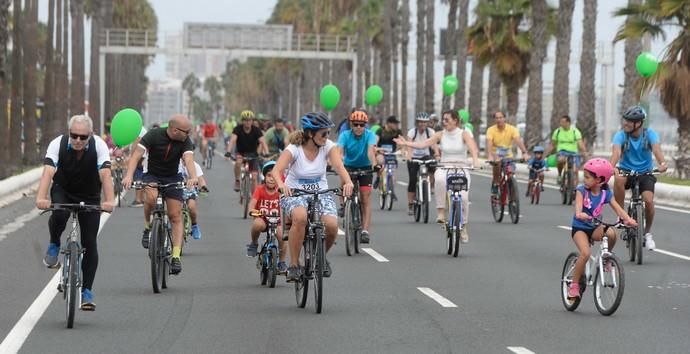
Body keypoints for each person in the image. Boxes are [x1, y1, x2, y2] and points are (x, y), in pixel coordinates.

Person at [36, 115, 115, 311]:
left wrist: (109, 200)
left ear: (91, 134)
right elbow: (48, 172)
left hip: (89, 194)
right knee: (59, 214)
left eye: (83, 137)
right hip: (63, 189)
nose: (78, 140)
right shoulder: (58, 144)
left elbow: (105, 174)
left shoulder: (99, 146)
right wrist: (41, 197)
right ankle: (54, 243)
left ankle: (87, 292)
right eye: (74, 136)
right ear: (68, 132)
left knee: (89, 242)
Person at [272, 112, 354, 282]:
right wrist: (281, 185)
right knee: (300, 217)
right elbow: (276, 170)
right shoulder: (294, 149)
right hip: (295, 193)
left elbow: (339, 166)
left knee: (332, 226)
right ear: (310, 134)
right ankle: (294, 265)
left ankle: (321, 257)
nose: (327, 137)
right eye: (323, 133)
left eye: (328, 133)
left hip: (320, 193)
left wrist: (348, 182)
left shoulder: (328, 146)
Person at [123, 115, 198, 275]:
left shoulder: (185, 140)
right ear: (175, 130)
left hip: (173, 177)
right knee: (150, 198)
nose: (189, 134)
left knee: (175, 215)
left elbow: (188, 159)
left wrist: (193, 176)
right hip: (152, 175)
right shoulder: (153, 135)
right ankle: (147, 226)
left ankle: (176, 256)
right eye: (187, 131)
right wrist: (129, 175)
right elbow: (136, 155)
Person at [395, 110, 479, 242]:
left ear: (455, 121)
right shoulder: (440, 134)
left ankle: (463, 226)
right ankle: (441, 212)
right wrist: (406, 144)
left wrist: (475, 160)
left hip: (461, 166)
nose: (444, 122)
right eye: (443, 120)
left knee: (463, 197)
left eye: (447, 119)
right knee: (439, 179)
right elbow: (423, 144)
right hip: (444, 166)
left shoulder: (464, 134)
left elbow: (473, 147)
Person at [567, 158, 636, 300]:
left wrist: (628, 219)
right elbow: (578, 207)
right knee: (585, 253)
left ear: (599, 180)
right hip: (580, 227)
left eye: (587, 177)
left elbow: (617, 208)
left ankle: (606, 259)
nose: (584, 180)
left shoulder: (606, 194)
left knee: (611, 234)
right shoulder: (581, 190)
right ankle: (574, 285)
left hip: (594, 227)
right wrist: (580, 214)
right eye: (584, 176)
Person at [610, 105, 668, 250]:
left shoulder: (650, 134)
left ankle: (647, 234)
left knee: (648, 201)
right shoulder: (621, 135)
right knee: (618, 179)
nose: (625, 124)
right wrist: (611, 167)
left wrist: (662, 163)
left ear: (639, 123)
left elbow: (656, 149)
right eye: (625, 120)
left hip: (645, 172)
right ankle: (622, 215)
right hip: (626, 170)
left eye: (629, 121)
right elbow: (616, 153)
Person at [337, 109, 378, 243]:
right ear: (351, 125)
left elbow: (370, 151)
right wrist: (337, 164)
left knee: (365, 197)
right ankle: (343, 205)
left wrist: (374, 164)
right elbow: (339, 152)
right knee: (344, 180)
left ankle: (365, 230)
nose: (359, 127)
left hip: (365, 167)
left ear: (365, 125)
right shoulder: (344, 135)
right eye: (356, 124)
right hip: (349, 166)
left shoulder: (370, 135)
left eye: (362, 125)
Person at [247, 161, 288, 274]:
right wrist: (251, 210)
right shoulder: (260, 189)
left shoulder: (282, 191)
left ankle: (282, 262)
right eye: (269, 176)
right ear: (264, 177)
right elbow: (253, 202)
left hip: (277, 221)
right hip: (263, 219)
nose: (271, 179)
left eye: (275, 176)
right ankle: (254, 243)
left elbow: (288, 204)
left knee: (282, 235)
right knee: (257, 224)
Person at [486, 110, 530, 195]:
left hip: (508, 156)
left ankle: (512, 195)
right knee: (497, 163)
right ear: (495, 120)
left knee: (510, 174)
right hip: (496, 155)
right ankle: (496, 183)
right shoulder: (491, 130)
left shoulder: (512, 129)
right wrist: (490, 155)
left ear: (504, 118)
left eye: (501, 117)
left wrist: (524, 153)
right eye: (497, 118)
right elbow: (489, 143)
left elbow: (518, 141)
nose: (499, 120)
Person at [405, 112, 440, 215]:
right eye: (420, 122)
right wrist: (409, 155)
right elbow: (409, 145)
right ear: (417, 123)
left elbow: (434, 145)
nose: (422, 125)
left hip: (426, 156)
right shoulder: (412, 132)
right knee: (412, 180)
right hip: (414, 157)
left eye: (425, 123)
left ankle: (429, 183)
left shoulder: (431, 132)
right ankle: (411, 205)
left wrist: (437, 154)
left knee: (434, 166)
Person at [225, 110, 269, 192]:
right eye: (245, 120)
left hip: (253, 154)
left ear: (252, 121)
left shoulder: (256, 130)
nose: (247, 122)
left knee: (255, 176)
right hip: (241, 152)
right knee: (238, 163)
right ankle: (237, 180)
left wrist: (266, 153)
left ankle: (254, 198)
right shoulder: (237, 129)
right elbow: (232, 140)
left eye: (249, 120)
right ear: (242, 121)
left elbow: (263, 142)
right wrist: (228, 152)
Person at [548, 115, 588, 187]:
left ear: (568, 123)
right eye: (561, 122)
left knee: (575, 170)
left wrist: (584, 152)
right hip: (562, 152)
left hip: (573, 153)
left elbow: (580, 143)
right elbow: (553, 144)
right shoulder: (558, 131)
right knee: (560, 160)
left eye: (563, 122)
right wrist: (548, 154)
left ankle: (576, 187)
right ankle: (560, 174)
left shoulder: (575, 131)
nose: (561, 123)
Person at [179, 159, 208, 240]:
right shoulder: (175, 163)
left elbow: (200, 179)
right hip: (176, 190)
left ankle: (194, 225)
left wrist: (203, 186)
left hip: (189, 191)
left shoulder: (195, 165)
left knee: (192, 208)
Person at [375, 115, 403, 190]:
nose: (396, 125)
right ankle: (378, 178)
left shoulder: (398, 132)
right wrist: (377, 149)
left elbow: (402, 142)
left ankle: (391, 191)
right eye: (395, 123)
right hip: (381, 153)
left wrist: (401, 149)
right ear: (389, 123)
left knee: (392, 173)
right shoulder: (380, 131)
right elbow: (375, 142)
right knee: (380, 162)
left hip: (392, 154)